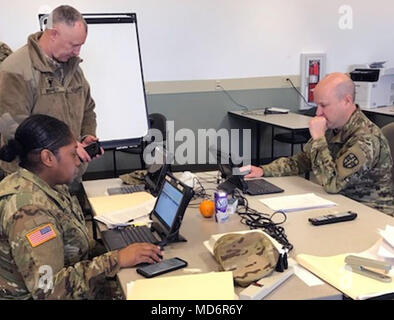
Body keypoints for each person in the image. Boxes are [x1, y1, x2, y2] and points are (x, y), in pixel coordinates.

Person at [0, 114, 162, 299]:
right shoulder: (30, 212)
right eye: (72, 154)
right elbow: (49, 290)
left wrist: (121, 250)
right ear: (48, 157)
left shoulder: (48, 185)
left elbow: (74, 247)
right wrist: (117, 259)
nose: (78, 161)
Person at [243, 72, 393, 216]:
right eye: (317, 106)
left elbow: (333, 183)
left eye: (324, 105)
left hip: (371, 214)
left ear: (347, 101)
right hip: (341, 204)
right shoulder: (333, 127)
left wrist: (319, 139)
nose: (318, 112)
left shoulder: (366, 138)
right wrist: (263, 170)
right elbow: (302, 160)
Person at [0, 5, 101, 177]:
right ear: (53, 34)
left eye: (81, 45)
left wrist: (86, 135)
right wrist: (69, 146)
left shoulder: (73, 69)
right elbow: (15, 128)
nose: (77, 52)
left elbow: (88, 109)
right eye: (73, 45)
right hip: (32, 183)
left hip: (68, 175)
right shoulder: (15, 69)